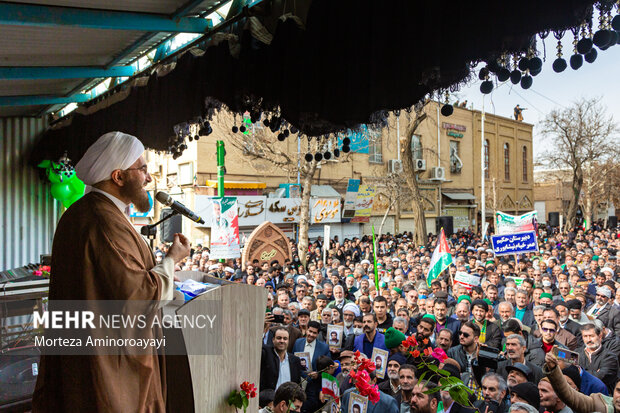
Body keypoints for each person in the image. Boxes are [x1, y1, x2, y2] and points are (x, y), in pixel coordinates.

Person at [33, 132, 191, 412]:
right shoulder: (103, 222)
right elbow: (137, 296)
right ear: (118, 177)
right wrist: (171, 260)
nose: (149, 178)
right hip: (108, 369)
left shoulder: (87, 212)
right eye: (142, 169)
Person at [543, 352, 619, 413]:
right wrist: (554, 369)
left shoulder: (598, 386)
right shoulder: (601, 404)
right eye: (618, 391)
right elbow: (570, 396)